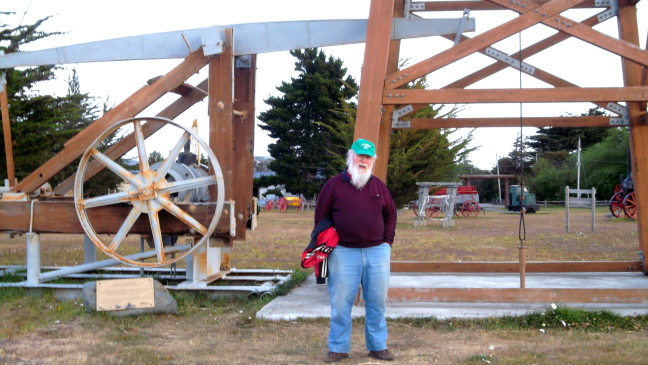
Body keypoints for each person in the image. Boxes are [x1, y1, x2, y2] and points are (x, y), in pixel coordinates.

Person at [315, 138, 397, 363]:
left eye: (368, 157)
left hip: (377, 252)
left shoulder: (379, 186)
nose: (363, 160)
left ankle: (377, 346)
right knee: (340, 304)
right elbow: (321, 218)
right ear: (351, 156)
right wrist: (327, 245)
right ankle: (338, 348)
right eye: (360, 155)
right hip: (343, 253)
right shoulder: (333, 185)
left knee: (377, 302)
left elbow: (391, 214)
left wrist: (387, 242)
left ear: (373, 161)